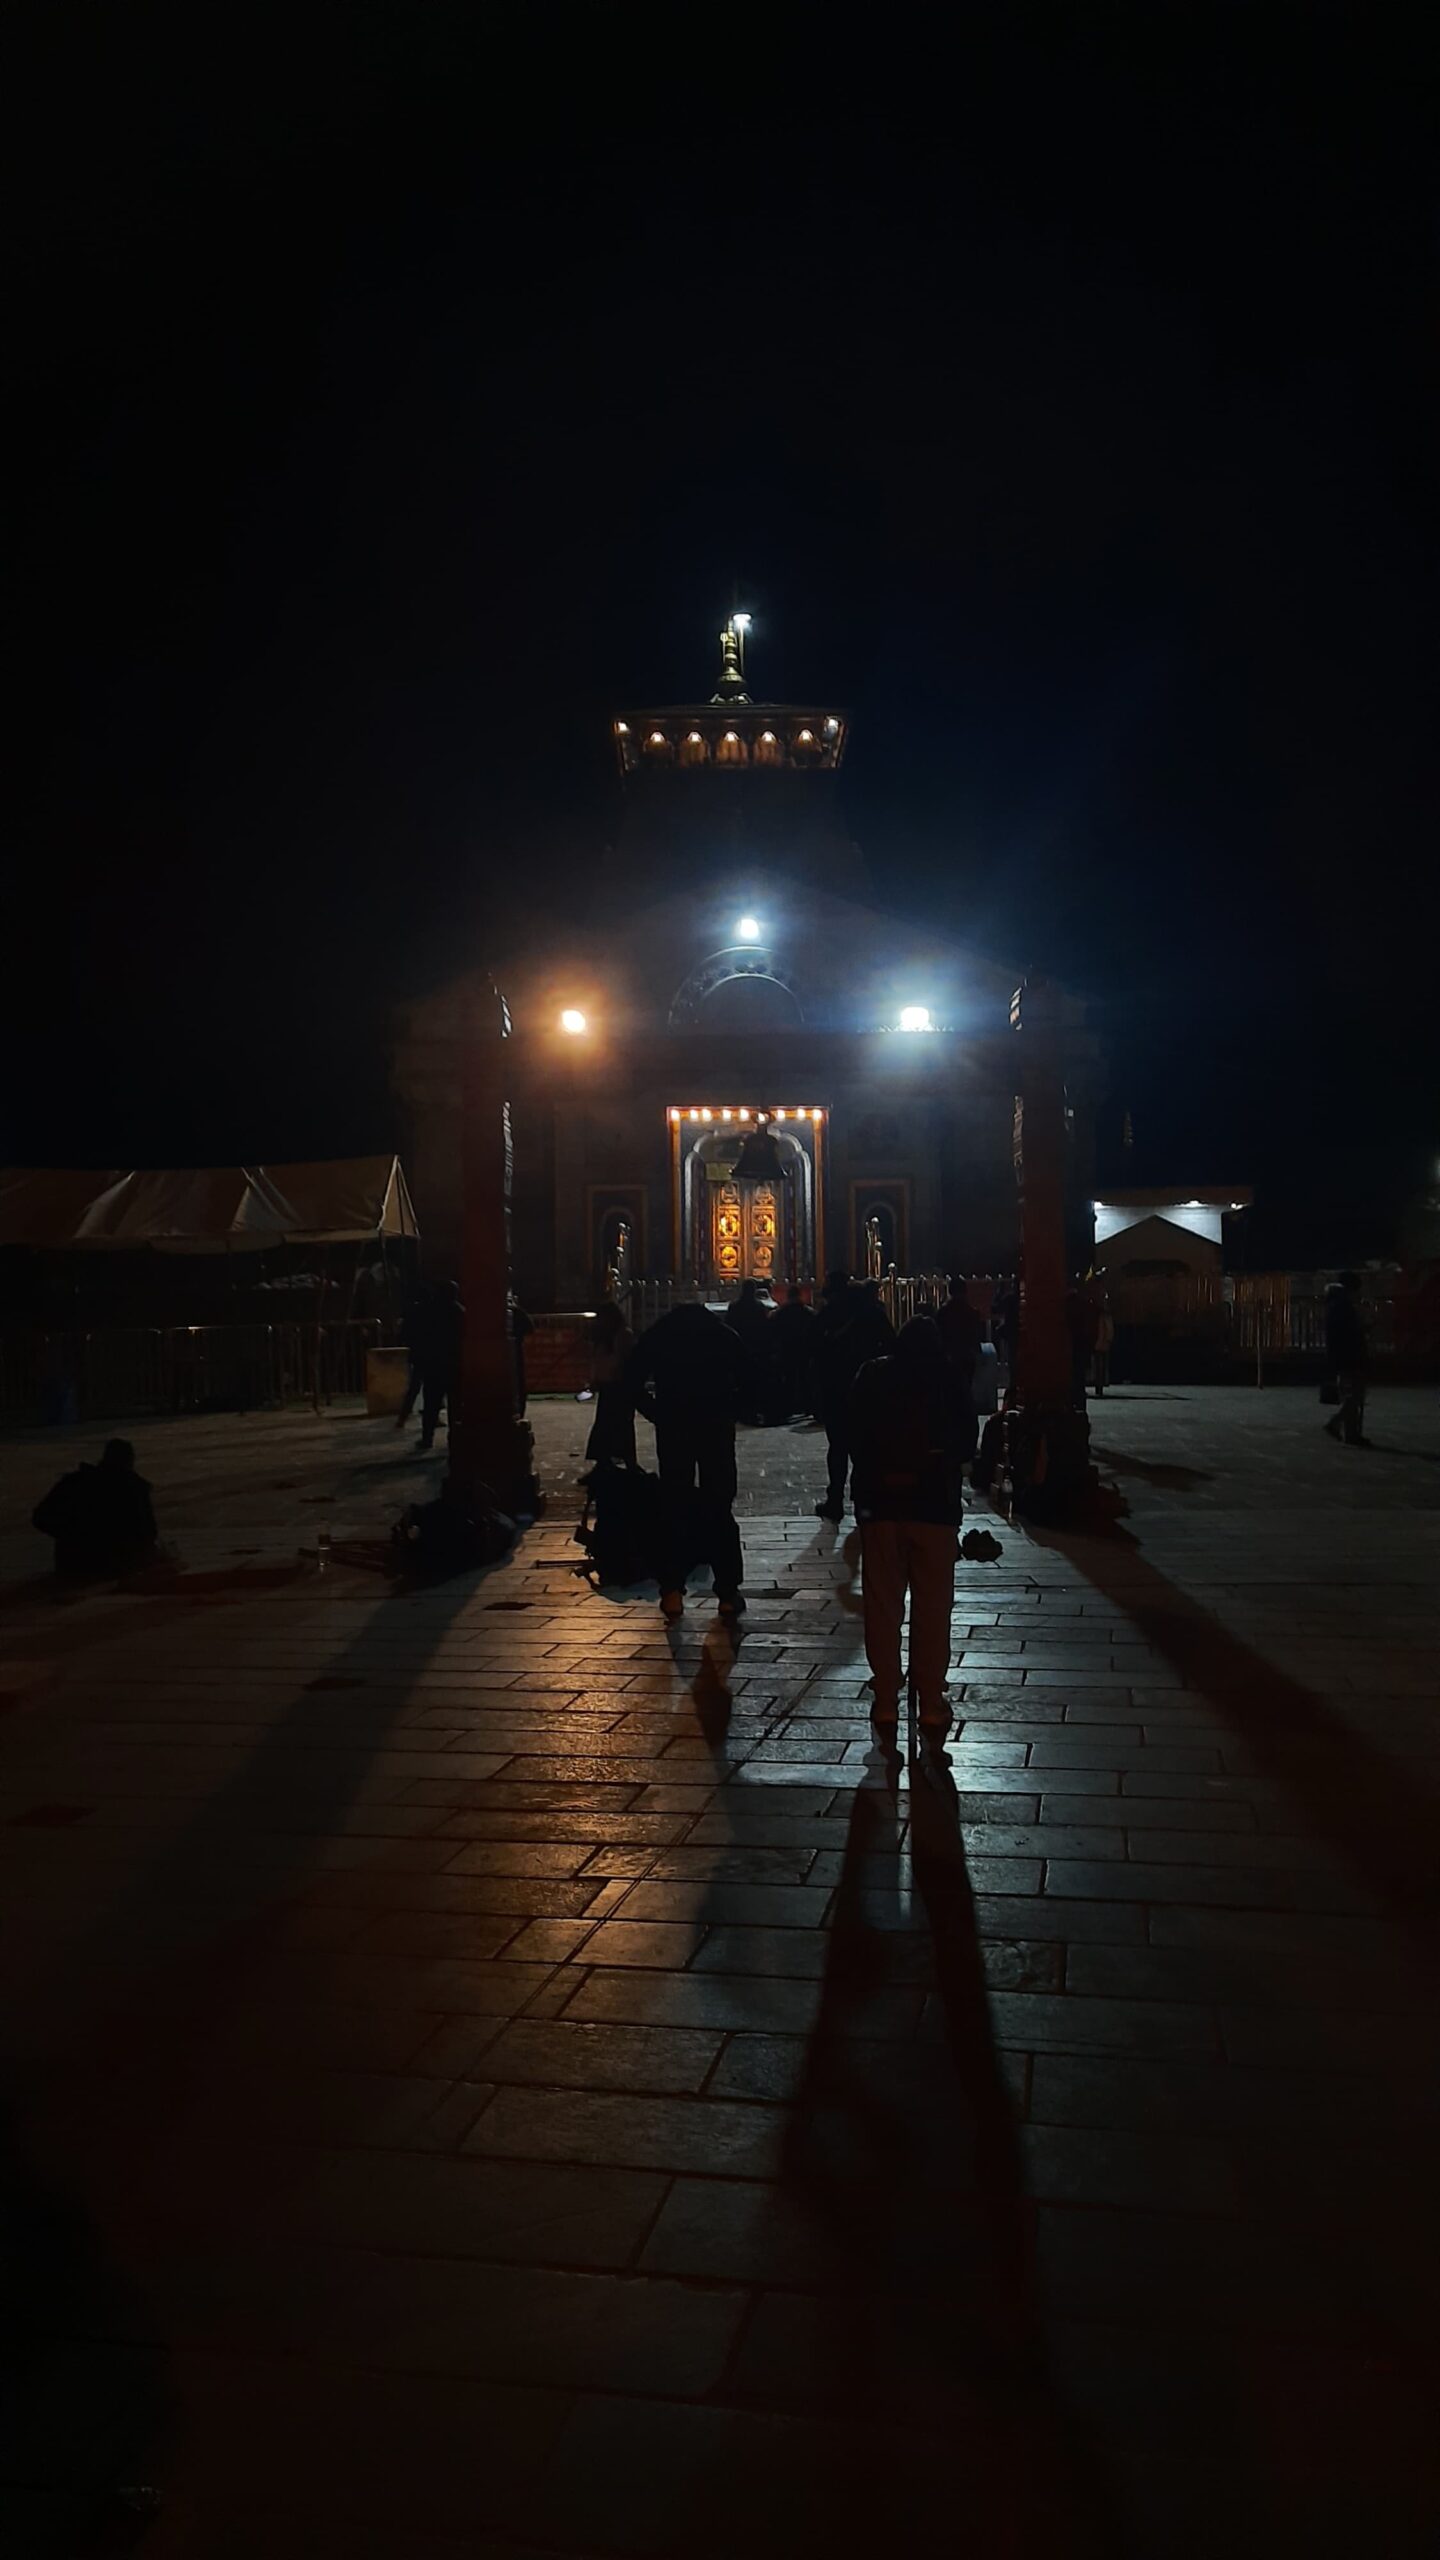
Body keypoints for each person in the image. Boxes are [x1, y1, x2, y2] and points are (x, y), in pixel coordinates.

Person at [849, 1316, 977, 1738]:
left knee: (883, 1606)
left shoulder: (871, 1373)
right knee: (933, 1608)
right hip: (934, 1508)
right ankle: (931, 1701)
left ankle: (885, 1698)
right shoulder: (948, 1376)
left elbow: (850, 1434)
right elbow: (965, 1443)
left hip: (880, 1508)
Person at [624, 1300, 745, 1616]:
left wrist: (657, 1413)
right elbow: (750, 1378)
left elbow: (631, 1381)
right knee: (719, 1506)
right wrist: (730, 1410)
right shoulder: (722, 1335)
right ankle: (728, 1591)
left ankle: (672, 1589)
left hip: (675, 1429)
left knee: (674, 1506)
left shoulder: (660, 1336)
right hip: (715, 1428)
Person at [814, 1273, 895, 1521]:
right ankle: (865, 1501)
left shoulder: (831, 1313)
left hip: (837, 1389)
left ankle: (835, 1500)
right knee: (866, 1449)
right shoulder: (873, 1314)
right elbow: (892, 1345)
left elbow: (813, 1346)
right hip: (869, 1390)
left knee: (838, 1447)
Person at [33, 1439, 158, 1580]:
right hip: (114, 1566)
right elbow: (148, 1533)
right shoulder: (135, 1488)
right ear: (130, 1461)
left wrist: (70, 1535)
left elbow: (40, 1518)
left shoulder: (73, 1482)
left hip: (71, 1563)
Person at [585, 1300, 637, 1467]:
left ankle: (628, 1463)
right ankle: (604, 1463)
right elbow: (598, 1361)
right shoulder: (604, 1338)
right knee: (605, 1425)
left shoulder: (622, 1335)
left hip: (619, 1386)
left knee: (621, 1425)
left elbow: (625, 1360)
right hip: (607, 1385)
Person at [1323, 1270, 1371, 1447]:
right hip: (1350, 1355)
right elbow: (1349, 1331)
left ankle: (1351, 1434)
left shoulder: (1335, 1303)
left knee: (1351, 1394)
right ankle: (1336, 1423)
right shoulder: (1343, 1306)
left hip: (1342, 1355)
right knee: (1355, 1396)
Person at [419, 1279, 464, 1450]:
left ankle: (427, 1438)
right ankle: (457, 1437)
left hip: (433, 1364)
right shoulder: (458, 1311)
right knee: (456, 1405)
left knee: (431, 1404)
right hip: (453, 1364)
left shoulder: (429, 1311)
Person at [725, 1279, 774, 1424]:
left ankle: (741, 1409)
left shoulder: (734, 1307)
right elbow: (764, 1328)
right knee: (752, 1381)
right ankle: (752, 1409)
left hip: (739, 1346)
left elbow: (728, 1326)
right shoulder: (758, 1307)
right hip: (755, 1348)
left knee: (740, 1380)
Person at [769, 1282, 817, 1421]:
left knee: (788, 1378)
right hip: (804, 1349)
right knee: (805, 1378)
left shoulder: (780, 1313)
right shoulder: (808, 1312)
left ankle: (789, 1406)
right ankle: (808, 1406)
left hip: (786, 1349)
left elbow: (773, 1330)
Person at [935, 1273, 983, 1389]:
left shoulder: (943, 1312)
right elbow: (976, 1336)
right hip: (967, 1356)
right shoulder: (972, 1312)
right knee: (966, 1386)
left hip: (949, 1357)